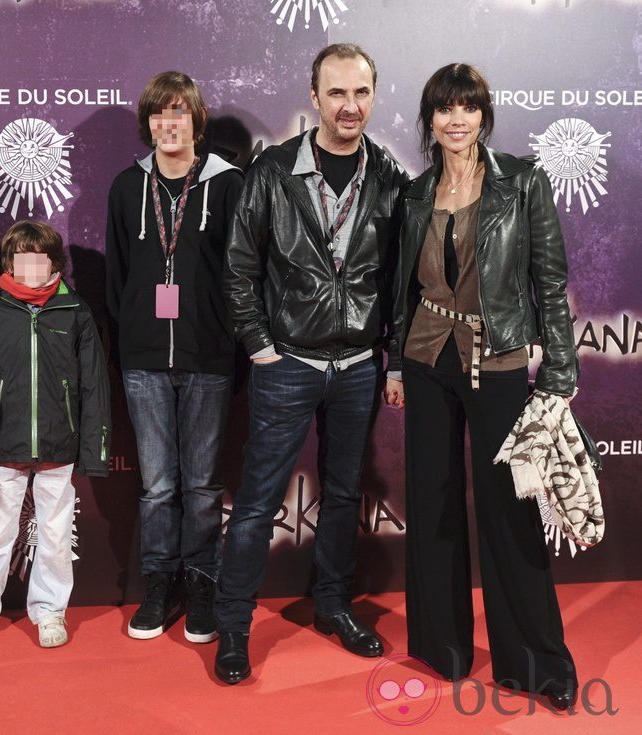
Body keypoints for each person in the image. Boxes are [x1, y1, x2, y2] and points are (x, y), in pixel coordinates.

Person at [385, 63, 579, 711]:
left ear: (484, 115)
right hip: (425, 354)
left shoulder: (522, 182)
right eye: (445, 109)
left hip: (496, 358)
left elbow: (548, 284)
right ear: (430, 120)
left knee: (508, 508)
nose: (457, 119)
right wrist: (392, 362)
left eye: (468, 107)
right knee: (432, 501)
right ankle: (443, 648)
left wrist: (558, 376)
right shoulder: (414, 194)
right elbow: (399, 292)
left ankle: (535, 661)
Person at [215, 44, 408, 684]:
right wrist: (260, 347)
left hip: (357, 366)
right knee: (256, 503)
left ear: (373, 96)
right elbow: (239, 268)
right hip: (288, 362)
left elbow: (401, 281)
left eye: (360, 93)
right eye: (337, 93)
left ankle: (332, 606)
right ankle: (235, 630)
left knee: (345, 493)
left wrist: (392, 359)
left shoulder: (389, 179)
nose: (349, 106)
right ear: (315, 95)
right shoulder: (271, 171)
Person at [106, 71, 244, 643]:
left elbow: (244, 274)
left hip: (209, 355)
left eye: (179, 113)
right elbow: (117, 278)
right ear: (148, 124)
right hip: (143, 360)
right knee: (159, 484)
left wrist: (224, 336)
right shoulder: (124, 187)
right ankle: (161, 581)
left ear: (196, 120)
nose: (169, 124)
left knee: (204, 486)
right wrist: (137, 333)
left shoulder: (229, 185)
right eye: (159, 115)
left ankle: (203, 580)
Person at [0, 221, 111, 650]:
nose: (31, 265)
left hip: (59, 444)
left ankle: (49, 611)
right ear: (9, 262)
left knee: (56, 533)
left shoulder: (75, 311)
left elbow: (93, 385)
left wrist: (94, 450)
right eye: (21, 257)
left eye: (39, 257)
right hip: (6, 443)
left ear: (53, 262)